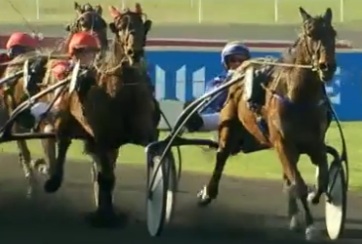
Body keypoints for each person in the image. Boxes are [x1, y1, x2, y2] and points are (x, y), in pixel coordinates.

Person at [30, 31, 101, 119]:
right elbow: (59, 72)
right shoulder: (64, 68)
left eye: (93, 52)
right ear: (75, 53)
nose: (90, 56)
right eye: (86, 52)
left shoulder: (98, 70)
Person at [184, 41, 251, 132]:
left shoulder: (253, 79)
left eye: (241, 61)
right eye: (233, 60)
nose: (237, 63)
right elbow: (214, 100)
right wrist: (229, 81)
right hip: (225, 116)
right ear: (226, 62)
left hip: (249, 115)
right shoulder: (218, 81)